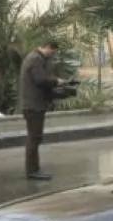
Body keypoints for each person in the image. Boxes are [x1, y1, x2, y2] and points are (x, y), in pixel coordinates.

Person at [19, 39, 74, 180]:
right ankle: (32, 171)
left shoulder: (35, 58)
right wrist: (57, 81)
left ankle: (34, 169)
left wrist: (61, 90)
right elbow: (41, 80)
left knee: (35, 137)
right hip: (33, 106)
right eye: (52, 52)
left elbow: (42, 85)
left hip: (34, 104)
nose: (52, 55)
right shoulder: (35, 59)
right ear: (48, 47)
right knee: (34, 138)